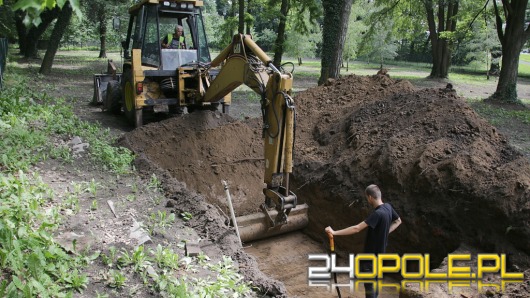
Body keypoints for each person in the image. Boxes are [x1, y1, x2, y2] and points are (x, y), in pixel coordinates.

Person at [325, 184, 401, 298]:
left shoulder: (377, 214)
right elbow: (398, 221)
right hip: (380, 257)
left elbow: (356, 228)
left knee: (370, 289)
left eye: (367, 198)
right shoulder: (388, 207)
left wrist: (334, 232)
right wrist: (385, 232)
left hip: (370, 260)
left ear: (370, 197)